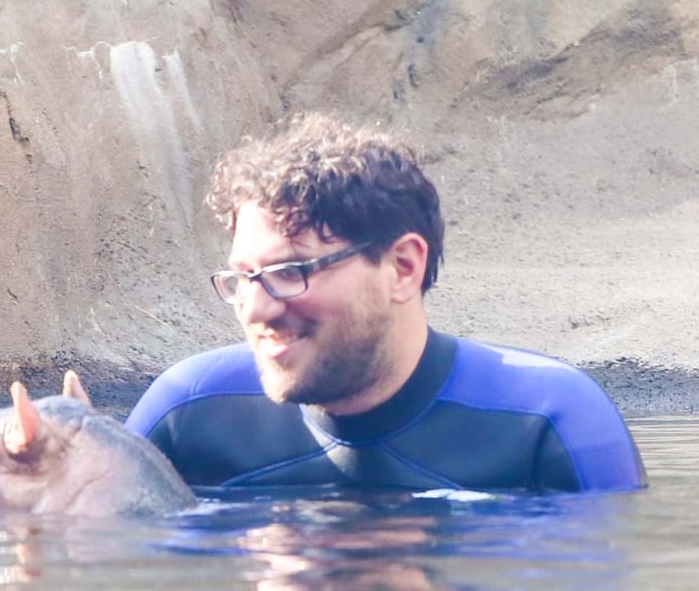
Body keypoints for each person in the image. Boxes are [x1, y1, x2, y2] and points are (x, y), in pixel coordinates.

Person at [125, 112, 646, 493]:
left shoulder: (547, 424)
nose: (256, 310)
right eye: (244, 278)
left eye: (289, 272)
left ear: (402, 268)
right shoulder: (184, 416)